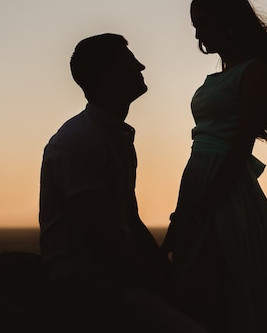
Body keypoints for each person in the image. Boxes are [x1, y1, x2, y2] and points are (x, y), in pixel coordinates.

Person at [162, 0, 267, 333]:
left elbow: (240, 146)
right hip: (200, 175)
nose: (197, 33)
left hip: (224, 184)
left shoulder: (255, 72)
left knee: (219, 287)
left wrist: (201, 209)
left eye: (203, 23)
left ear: (227, 22)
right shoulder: (225, 74)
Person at [39, 33, 207, 332]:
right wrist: (163, 285)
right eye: (130, 62)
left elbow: (127, 219)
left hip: (113, 276)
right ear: (106, 75)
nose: (141, 67)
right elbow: (101, 234)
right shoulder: (80, 140)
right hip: (89, 282)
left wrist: (162, 270)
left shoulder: (115, 136)